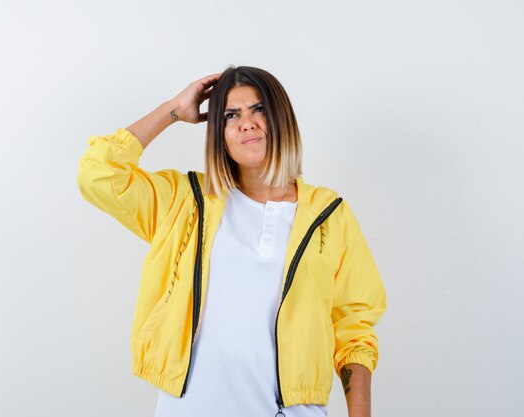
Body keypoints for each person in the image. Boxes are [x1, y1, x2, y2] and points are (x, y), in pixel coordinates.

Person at [77, 66, 386, 417]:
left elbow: (354, 329)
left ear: (281, 118)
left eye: (259, 110)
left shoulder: (329, 215)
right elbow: (97, 174)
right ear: (218, 133)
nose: (247, 123)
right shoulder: (185, 203)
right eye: (230, 115)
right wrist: (174, 110)